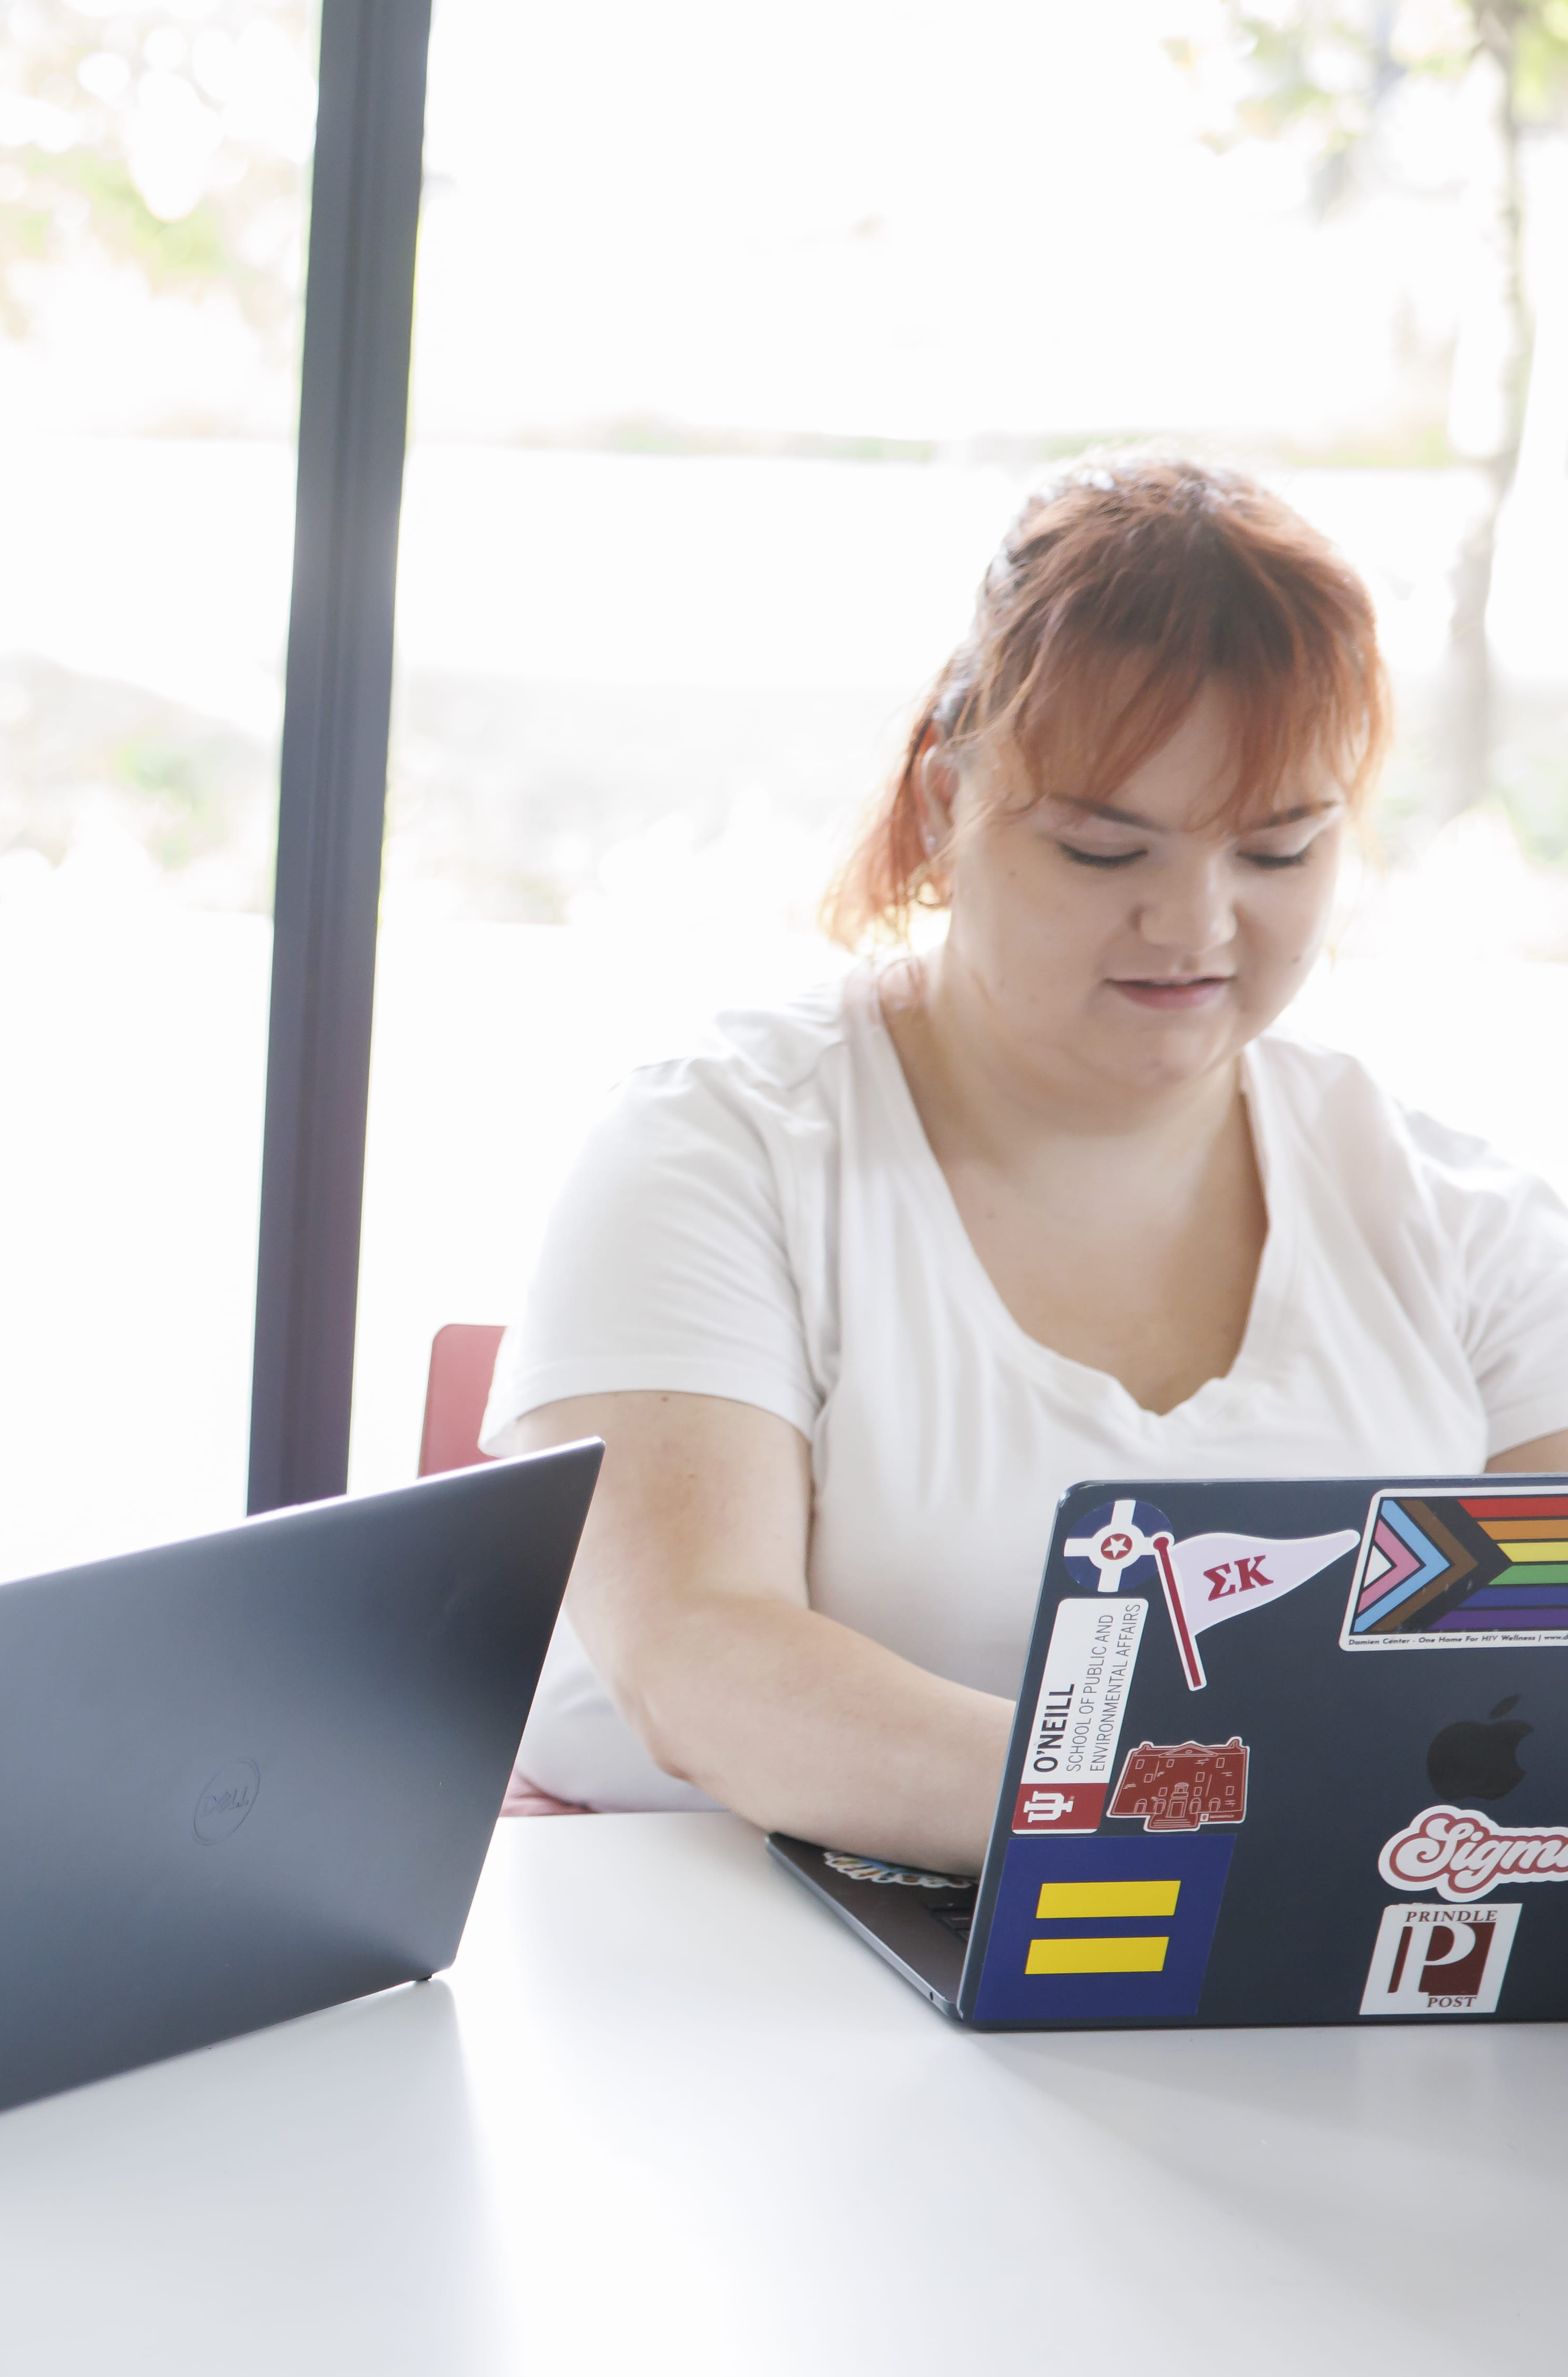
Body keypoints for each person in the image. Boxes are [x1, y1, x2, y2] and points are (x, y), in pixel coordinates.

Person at [488, 457, 1568, 1868]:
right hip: (723, 1995)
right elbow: (703, 1663)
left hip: (1292, 2014)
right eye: (1103, 851)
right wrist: (1224, 1820)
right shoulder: (722, 1149)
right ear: (947, 804)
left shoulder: (1457, 1219)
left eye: (1279, 850)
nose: (1196, 925)